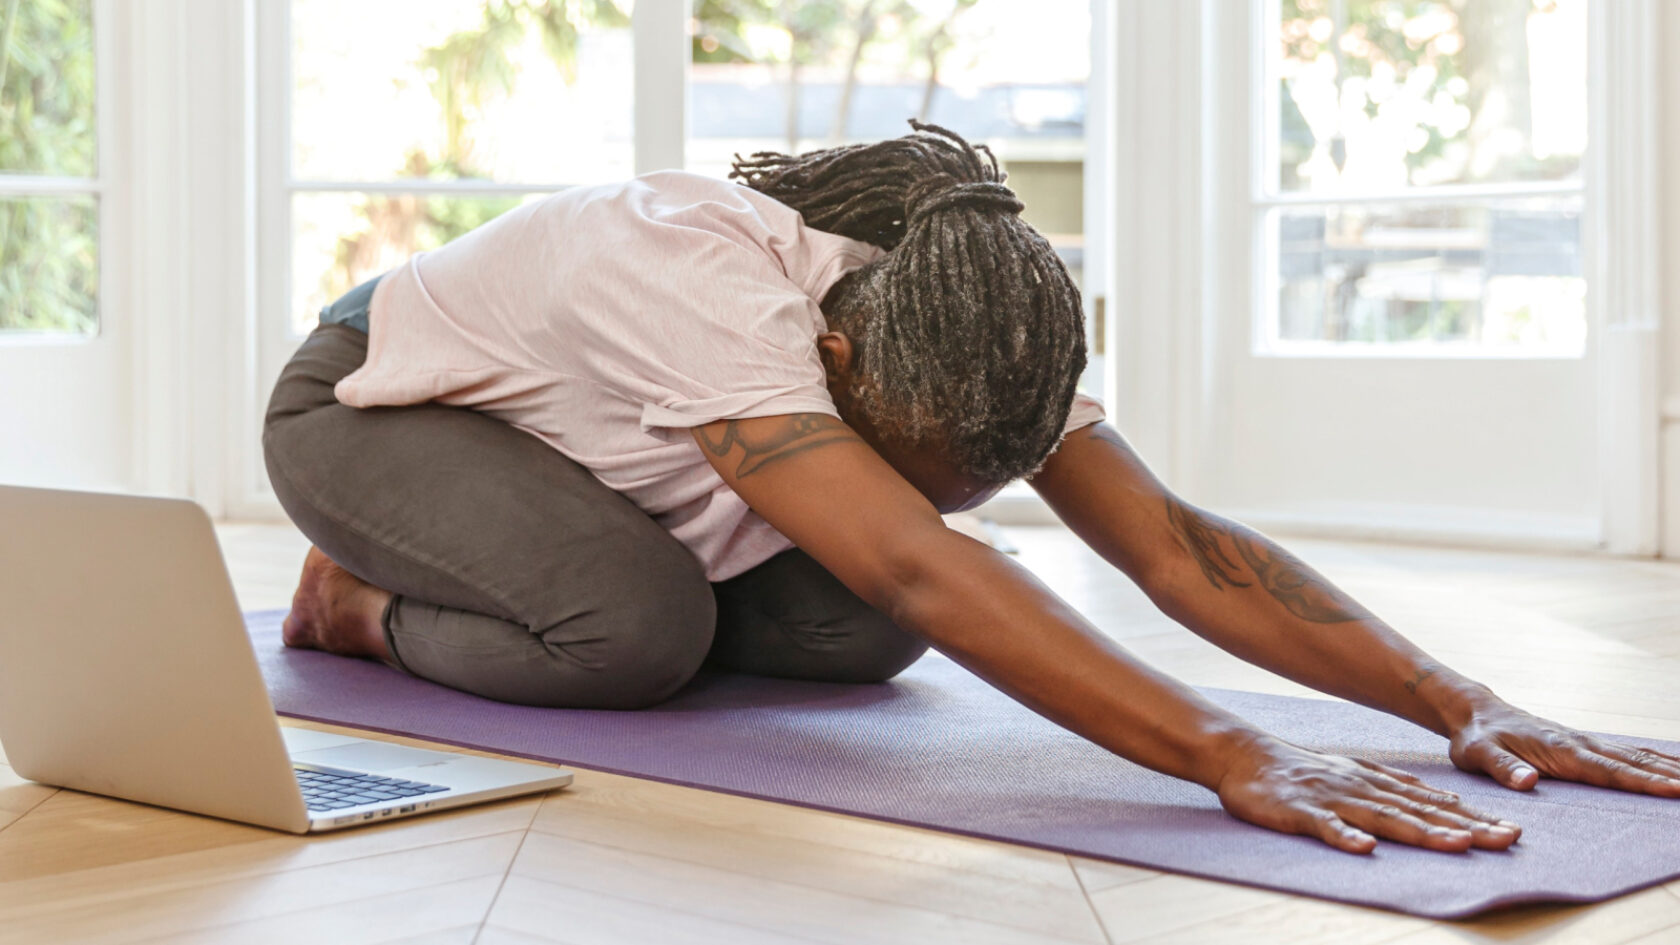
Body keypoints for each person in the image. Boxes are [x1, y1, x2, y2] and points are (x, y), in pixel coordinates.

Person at [265, 120, 1680, 856]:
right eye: (908, 472)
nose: (934, 506)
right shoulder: (702, 277)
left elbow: (1175, 548)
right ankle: (361, 601)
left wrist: (1462, 702)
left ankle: (576, 573)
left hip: (605, 461)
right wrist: (1228, 750)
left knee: (862, 632)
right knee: (637, 632)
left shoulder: (975, 323)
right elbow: (920, 562)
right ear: (830, 360)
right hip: (377, 411)